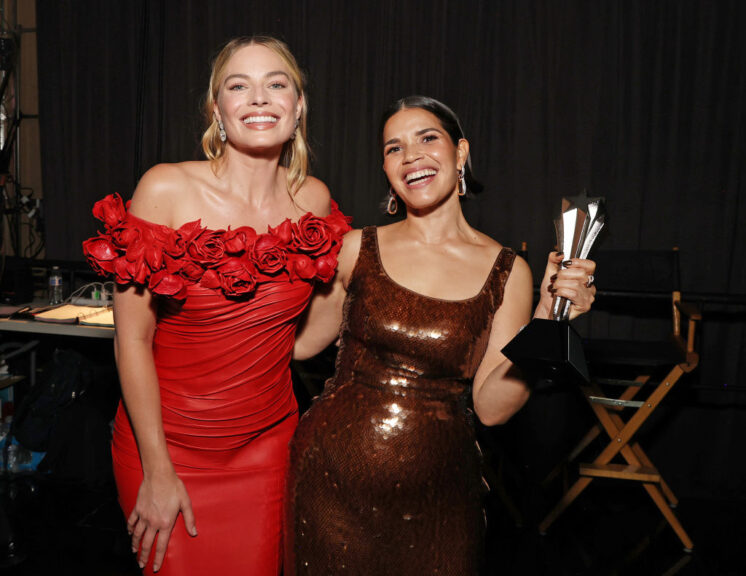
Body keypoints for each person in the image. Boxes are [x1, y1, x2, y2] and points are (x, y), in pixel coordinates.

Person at [285, 95, 596, 574]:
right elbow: (300, 345)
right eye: (393, 147)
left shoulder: (507, 271)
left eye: (427, 138)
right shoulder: (355, 248)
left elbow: (492, 409)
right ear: (386, 168)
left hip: (442, 494)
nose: (410, 155)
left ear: (461, 152)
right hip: (331, 482)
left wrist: (549, 319)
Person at [83, 36, 350, 575]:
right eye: (239, 86)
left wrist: (368, 271)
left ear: (298, 109)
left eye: (277, 85)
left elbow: (299, 347)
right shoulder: (165, 188)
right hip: (165, 447)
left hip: (268, 450)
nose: (259, 98)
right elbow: (132, 339)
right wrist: (158, 472)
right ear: (216, 109)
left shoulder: (314, 201)